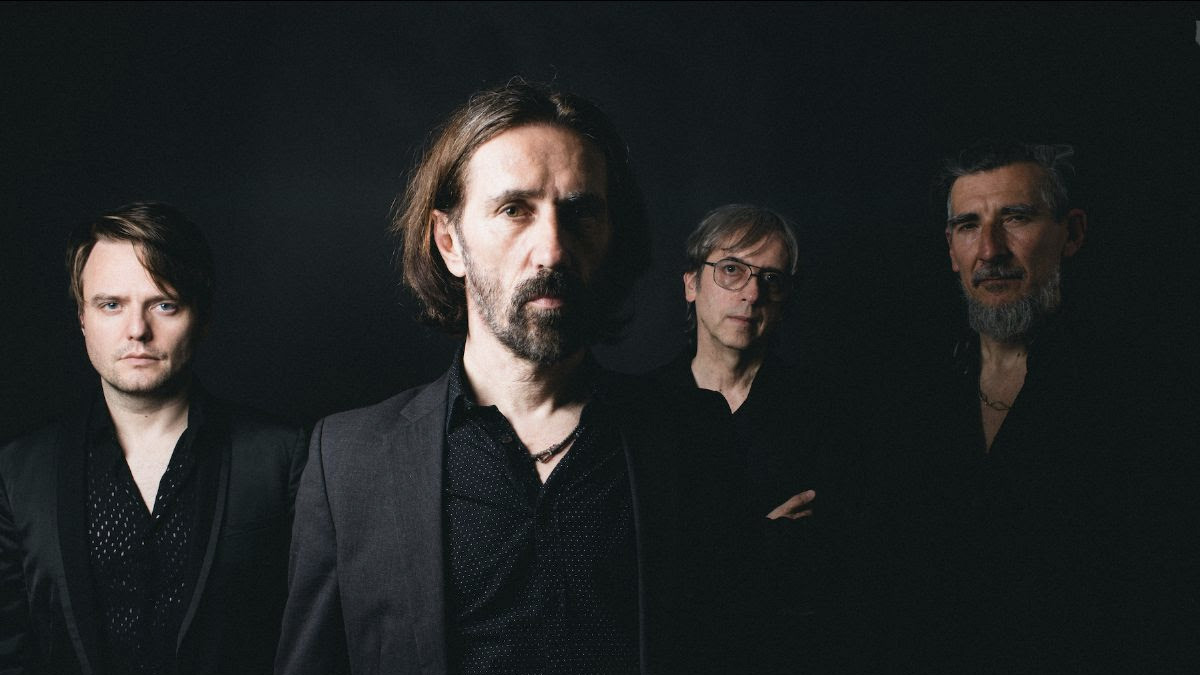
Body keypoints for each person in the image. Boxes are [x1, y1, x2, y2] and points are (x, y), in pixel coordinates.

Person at [275, 81, 755, 675]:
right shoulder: (348, 460)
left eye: (580, 213)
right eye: (514, 210)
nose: (552, 250)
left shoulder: (694, 437)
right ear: (449, 242)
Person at [864, 140, 1171, 671]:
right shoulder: (906, 395)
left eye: (1016, 218)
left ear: (1072, 233)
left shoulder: (1143, 393)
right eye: (968, 226)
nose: (990, 250)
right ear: (950, 249)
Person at [0, 202, 308, 675]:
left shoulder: (283, 457)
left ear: (201, 316)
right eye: (111, 305)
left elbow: (307, 640)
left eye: (164, 304)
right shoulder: (18, 473)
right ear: (82, 318)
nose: (138, 330)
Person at [650, 204, 857, 672]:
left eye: (771, 279)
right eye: (731, 270)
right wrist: (762, 540)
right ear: (691, 283)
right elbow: (640, 571)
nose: (752, 293)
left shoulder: (825, 413)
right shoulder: (642, 410)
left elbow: (827, 570)